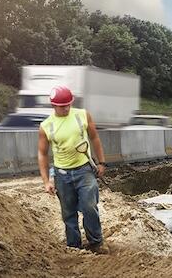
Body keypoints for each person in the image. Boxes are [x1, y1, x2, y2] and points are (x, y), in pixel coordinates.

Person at [37, 85, 108, 253]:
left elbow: (95, 138)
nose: (66, 108)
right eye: (62, 106)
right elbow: (42, 154)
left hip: (85, 170)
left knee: (89, 207)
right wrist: (46, 181)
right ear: (54, 106)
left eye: (69, 104)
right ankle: (74, 247)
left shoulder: (82, 116)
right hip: (62, 175)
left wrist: (102, 162)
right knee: (68, 213)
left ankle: (96, 243)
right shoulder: (46, 126)